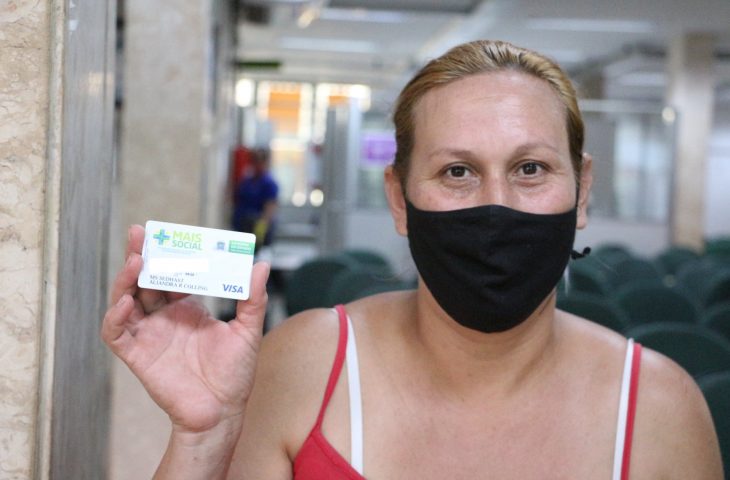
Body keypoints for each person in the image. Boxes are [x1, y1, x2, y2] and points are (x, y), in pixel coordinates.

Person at [102, 40, 723, 479]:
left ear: (582, 191)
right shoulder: (304, 365)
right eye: (457, 172)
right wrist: (204, 438)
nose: (496, 203)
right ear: (399, 198)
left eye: (531, 168)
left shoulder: (659, 408)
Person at [232, 147, 278, 247]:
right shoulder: (246, 181)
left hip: (256, 229)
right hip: (241, 226)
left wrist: (259, 233)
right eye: (254, 161)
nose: (256, 164)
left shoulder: (269, 184)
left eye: (259, 161)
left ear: (265, 162)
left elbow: (269, 209)